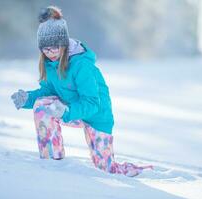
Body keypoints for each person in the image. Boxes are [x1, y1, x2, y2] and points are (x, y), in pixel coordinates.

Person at [11, 5, 153, 177]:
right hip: (69, 110)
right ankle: (52, 161)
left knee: (107, 170)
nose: (51, 53)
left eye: (55, 47)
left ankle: (140, 171)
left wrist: (67, 111)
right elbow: (48, 91)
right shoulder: (48, 65)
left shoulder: (81, 65)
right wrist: (27, 99)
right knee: (42, 106)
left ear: (63, 44)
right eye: (46, 49)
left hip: (96, 115)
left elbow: (93, 103)